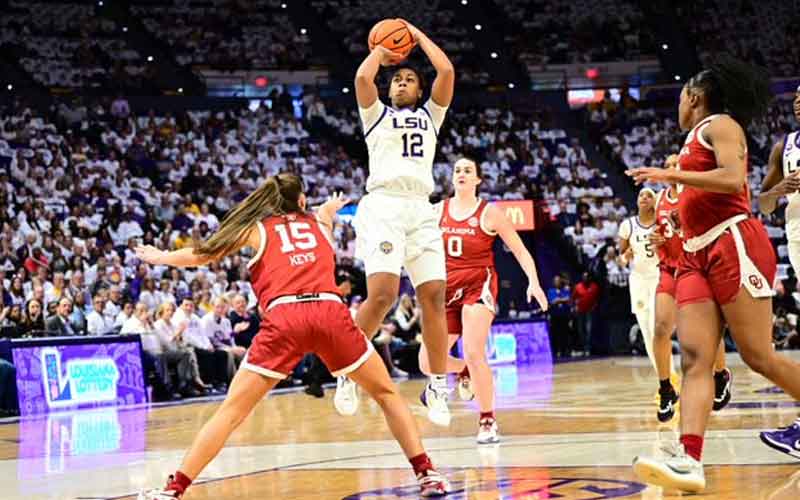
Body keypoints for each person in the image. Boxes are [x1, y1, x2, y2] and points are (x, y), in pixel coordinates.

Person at [135, 173, 450, 498]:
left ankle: (174, 490)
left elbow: (203, 254)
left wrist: (161, 257)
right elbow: (325, 218)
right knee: (386, 394)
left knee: (230, 413)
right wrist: (329, 208)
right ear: (302, 201)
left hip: (285, 317)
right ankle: (427, 474)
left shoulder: (256, 230)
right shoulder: (317, 224)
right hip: (329, 313)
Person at [627, 57, 800, 493]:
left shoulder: (720, 125)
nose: (679, 102)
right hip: (696, 253)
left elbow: (732, 178)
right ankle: (689, 458)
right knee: (695, 358)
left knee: (758, 356)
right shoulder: (690, 139)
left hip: (732, 243)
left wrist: (669, 173)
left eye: (683, 93)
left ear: (696, 96)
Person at [335, 19, 455, 426]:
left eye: (408, 80)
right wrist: (383, 51)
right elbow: (362, 77)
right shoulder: (375, 115)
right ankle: (348, 369)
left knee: (434, 296)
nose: (401, 83)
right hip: (384, 204)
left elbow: (447, 72)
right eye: (397, 80)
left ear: (420, 91)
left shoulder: (431, 116)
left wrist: (417, 36)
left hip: (421, 207)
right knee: (383, 295)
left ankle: (437, 385)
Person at [417, 157, 548, 444]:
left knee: (476, 352)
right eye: (458, 170)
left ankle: (487, 419)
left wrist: (534, 282)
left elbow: (520, 250)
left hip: (479, 283)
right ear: (452, 178)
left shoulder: (489, 213)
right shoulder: (436, 210)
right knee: (426, 362)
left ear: (477, 180)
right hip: (446, 287)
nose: (462, 174)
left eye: (468, 170)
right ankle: (464, 370)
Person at [649, 155, 731, 423]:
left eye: (677, 165)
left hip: (695, 266)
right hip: (669, 269)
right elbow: (655, 233)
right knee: (661, 327)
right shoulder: (658, 199)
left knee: (708, 329)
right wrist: (655, 238)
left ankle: (720, 374)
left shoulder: (696, 193)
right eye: (669, 165)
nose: (673, 168)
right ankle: (665, 388)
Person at [756, 85, 800, 464]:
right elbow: (764, 202)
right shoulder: (782, 148)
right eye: (797, 95)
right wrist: (781, 189)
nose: (799, 100)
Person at [572, 272, 599, 355]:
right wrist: (575, 306)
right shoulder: (578, 287)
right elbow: (573, 298)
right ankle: (583, 348)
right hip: (580, 312)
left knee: (589, 330)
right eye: (584, 277)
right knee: (581, 330)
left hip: (590, 312)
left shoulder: (594, 286)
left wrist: (594, 307)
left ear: (590, 278)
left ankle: (588, 349)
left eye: (587, 277)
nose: (585, 278)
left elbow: (597, 299)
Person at [546, 275, 573, 359]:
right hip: (555, 315)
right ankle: (555, 351)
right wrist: (561, 300)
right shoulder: (551, 291)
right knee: (555, 333)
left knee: (564, 333)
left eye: (559, 280)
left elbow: (568, 299)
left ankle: (565, 351)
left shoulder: (565, 290)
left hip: (564, 315)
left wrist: (558, 300)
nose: (557, 282)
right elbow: (552, 301)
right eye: (555, 281)